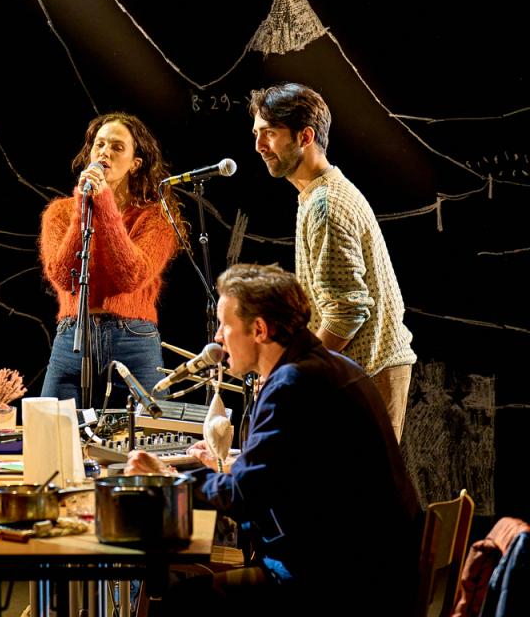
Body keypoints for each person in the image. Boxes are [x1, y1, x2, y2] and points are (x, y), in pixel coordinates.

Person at [127, 263, 420, 616]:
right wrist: (235, 466)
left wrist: (168, 480)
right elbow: (300, 475)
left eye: (225, 325)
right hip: (375, 575)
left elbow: (243, 498)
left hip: (342, 590)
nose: (218, 338)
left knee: (182, 603)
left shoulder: (290, 385)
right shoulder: (336, 367)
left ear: (260, 330)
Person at [250, 82, 416, 442]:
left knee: (360, 497)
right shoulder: (317, 195)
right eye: (257, 134)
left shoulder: (326, 205)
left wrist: (292, 370)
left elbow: (346, 312)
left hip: (368, 374)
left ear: (304, 136)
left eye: (270, 134)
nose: (259, 146)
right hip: (358, 372)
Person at [39, 112, 188, 408]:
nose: (105, 152)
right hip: (72, 340)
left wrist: (104, 205)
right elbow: (62, 276)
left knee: (143, 442)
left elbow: (131, 276)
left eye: (117, 147)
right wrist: (84, 209)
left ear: (136, 163)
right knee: (51, 436)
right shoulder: (60, 212)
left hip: (133, 341)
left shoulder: (156, 216)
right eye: (99, 145)